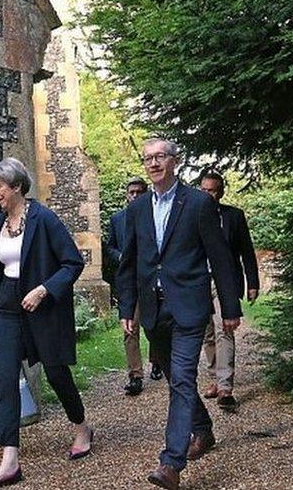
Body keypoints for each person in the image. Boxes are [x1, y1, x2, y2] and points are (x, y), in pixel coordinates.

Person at [116, 139, 242, 490]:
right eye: (148, 158)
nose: (153, 163)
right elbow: (129, 261)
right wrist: (127, 307)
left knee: (183, 378)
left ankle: (171, 462)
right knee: (177, 379)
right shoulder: (137, 208)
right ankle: (203, 430)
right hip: (154, 312)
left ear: (175, 162)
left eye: (160, 157)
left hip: (189, 306)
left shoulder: (199, 203)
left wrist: (229, 308)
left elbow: (220, 258)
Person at [0, 157, 91, 489]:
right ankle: (9, 461)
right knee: (7, 379)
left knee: (56, 371)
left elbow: (72, 263)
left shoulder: (45, 219)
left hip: (41, 306)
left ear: (16, 187)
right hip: (7, 308)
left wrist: (43, 290)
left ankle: (82, 426)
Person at [198, 172, 260, 412]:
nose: (207, 195)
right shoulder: (192, 217)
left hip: (226, 281)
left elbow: (247, 250)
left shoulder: (233, 216)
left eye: (212, 190)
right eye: (203, 190)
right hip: (200, 282)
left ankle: (225, 387)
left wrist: (252, 282)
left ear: (221, 192)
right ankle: (215, 377)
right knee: (207, 334)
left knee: (225, 330)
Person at [108, 177, 163, 396]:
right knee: (130, 328)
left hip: (152, 280)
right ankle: (135, 375)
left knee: (154, 327)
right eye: (132, 192)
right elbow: (110, 246)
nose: (135, 196)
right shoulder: (117, 219)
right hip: (129, 283)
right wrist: (121, 256)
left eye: (140, 192)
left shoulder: (154, 216)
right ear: (126, 195)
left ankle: (157, 360)